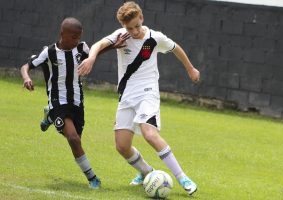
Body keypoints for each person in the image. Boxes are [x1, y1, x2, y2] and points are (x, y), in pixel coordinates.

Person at [78, 1, 200, 195]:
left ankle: (183, 178)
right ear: (123, 26)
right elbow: (99, 44)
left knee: (149, 134)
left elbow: (176, 48)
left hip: (147, 92)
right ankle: (147, 172)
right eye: (129, 28)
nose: (134, 31)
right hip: (126, 96)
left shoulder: (155, 38)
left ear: (141, 18)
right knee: (122, 146)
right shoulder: (121, 36)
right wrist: (91, 57)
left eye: (136, 26)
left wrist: (191, 69)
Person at [20, 17, 128, 189]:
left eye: (79, 37)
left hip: (77, 102)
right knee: (73, 139)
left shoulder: (81, 48)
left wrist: (114, 46)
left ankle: (49, 117)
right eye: (73, 37)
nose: (76, 40)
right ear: (62, 34)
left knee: (75, 136)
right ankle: (93, 178)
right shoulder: (49, 52)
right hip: (57, 101)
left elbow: (95, 53)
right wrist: (26, 77)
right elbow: (26, 66)